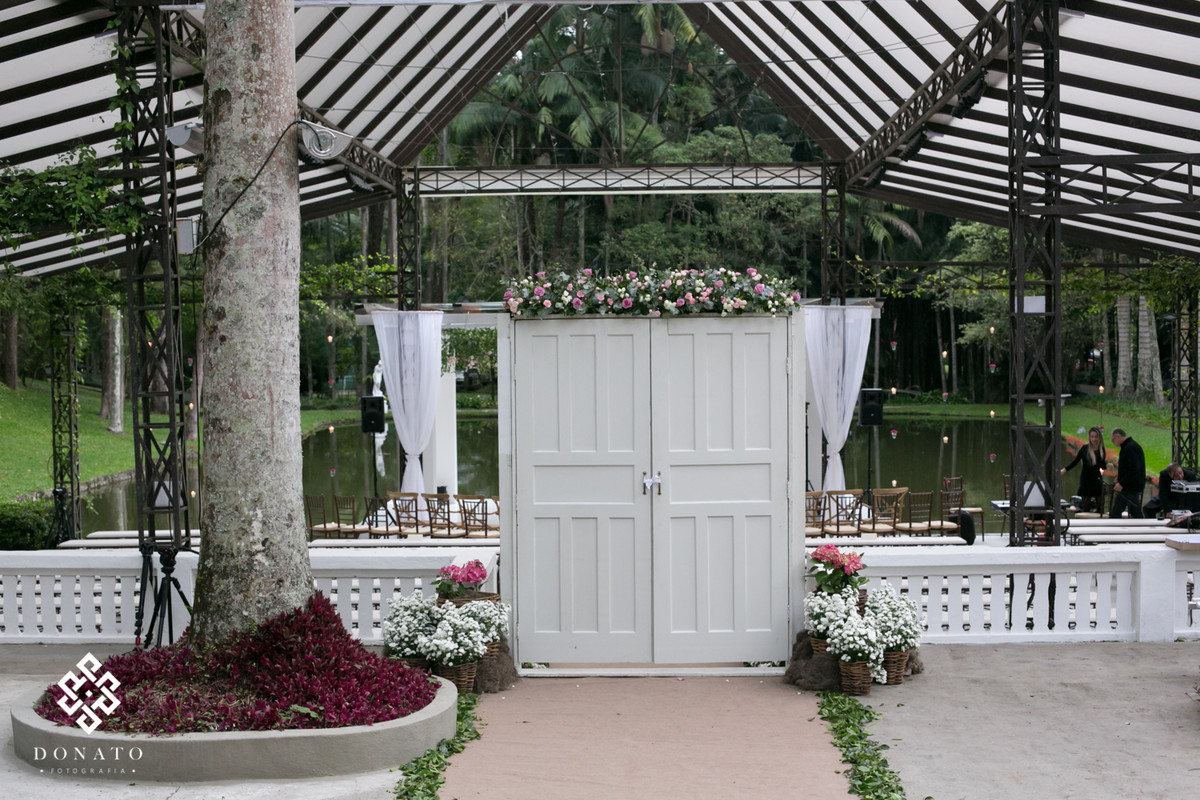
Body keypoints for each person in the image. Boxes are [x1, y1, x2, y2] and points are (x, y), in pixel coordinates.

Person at [1061, 426, 1106, 513]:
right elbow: (1075, 462)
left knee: (1101, 508)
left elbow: (1102, 466)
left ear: (1099, 437)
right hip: (1086, 480)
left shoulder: (1101, 449)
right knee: (1086, 507)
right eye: (1092, 436)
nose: (1094, 439)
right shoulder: (1084, 449)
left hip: (1097, 480)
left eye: (1096, 436)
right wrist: (1064, 470)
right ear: (1089, 437)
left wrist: (1108, 464)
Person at [1109, 428, 1146, 519]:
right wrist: (1119, 477)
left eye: (1113, 440)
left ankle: (1114, 531)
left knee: (1116, 512)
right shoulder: (1128, 446)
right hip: (1130, 485)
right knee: (1134, 511)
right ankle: (1142, 528)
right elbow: (1127, 467)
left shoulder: (1130, 448)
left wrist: (1122, 483)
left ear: (1118, 437)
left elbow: (1134, 469)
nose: (1113, 442)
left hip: (1130, 486)